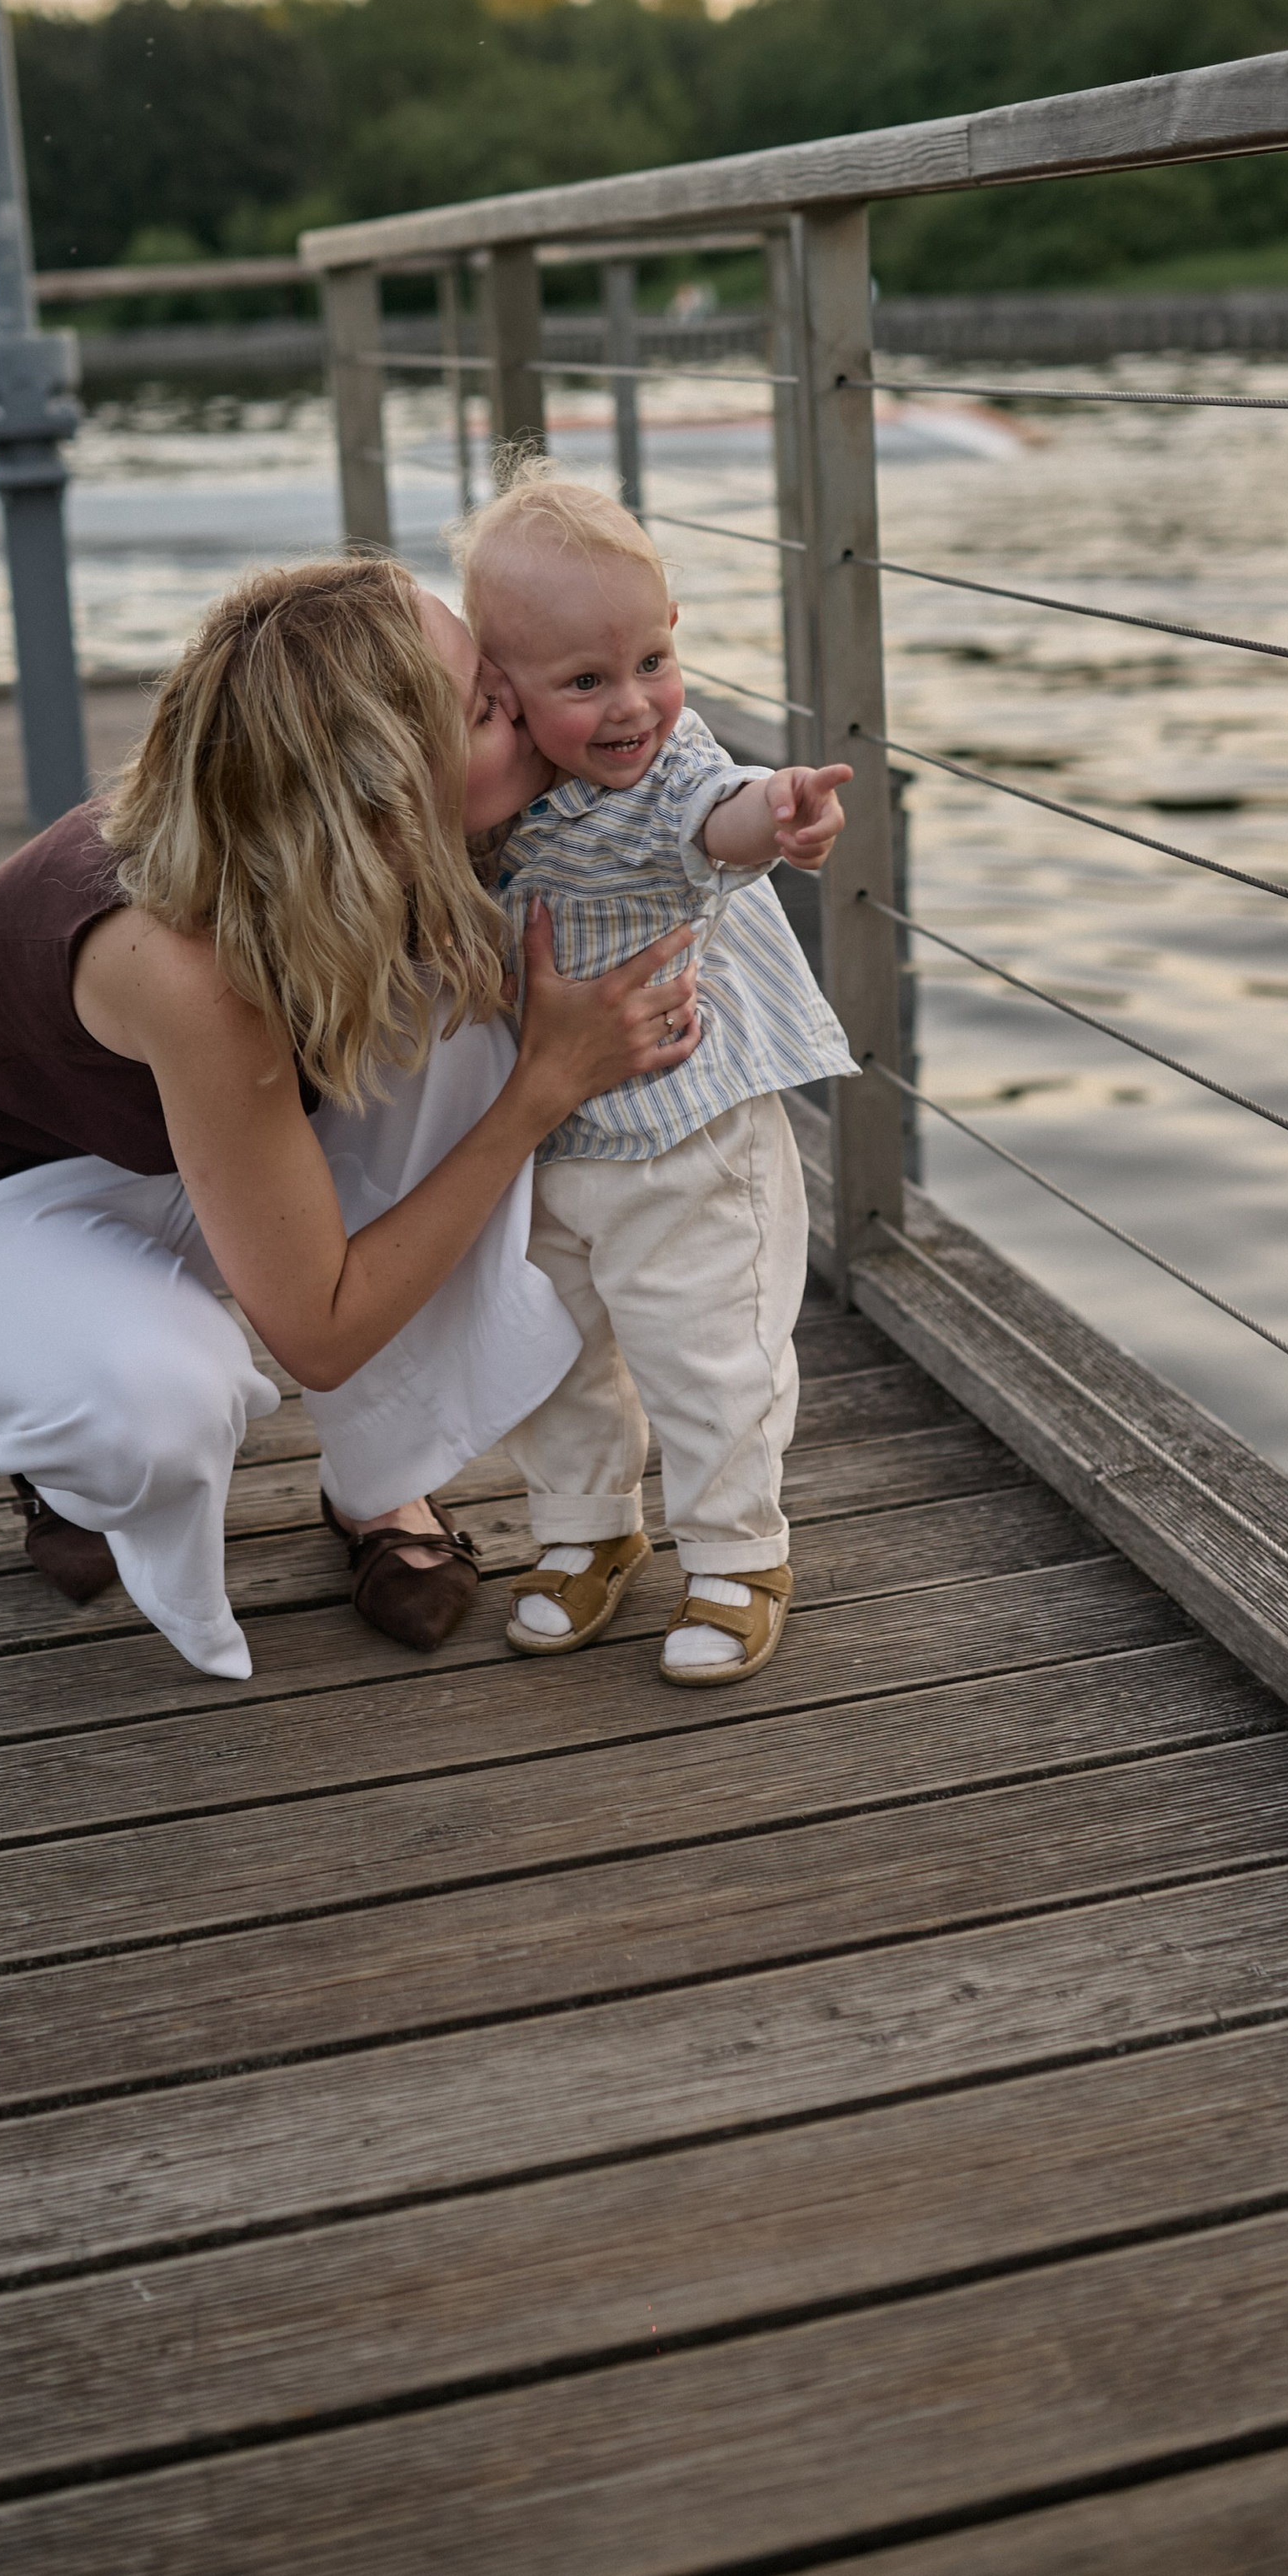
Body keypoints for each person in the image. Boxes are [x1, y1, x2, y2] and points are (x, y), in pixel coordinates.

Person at [0, 556, 701, 1681]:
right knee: (160, 1402)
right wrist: (541, 1090)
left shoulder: (316, 837)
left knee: (463, 1007)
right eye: (487, 709)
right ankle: (74, 1459)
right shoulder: (187, 963)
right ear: (382, 797)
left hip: (177, 1153)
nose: (529, 715)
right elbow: (318, 1325)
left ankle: (379, 1485)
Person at [455, 471, 854, 1687]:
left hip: (688, 1135)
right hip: (554, 1143)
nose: (633, 703)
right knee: (555, 1348)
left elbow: (713, 815)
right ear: (499, 695)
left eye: (653, 657)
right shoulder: (495, 791)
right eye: (584, 680)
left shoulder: (671, 761)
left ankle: (740, 1553)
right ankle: (587, 1530)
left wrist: (776, 812)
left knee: (704, 1349)